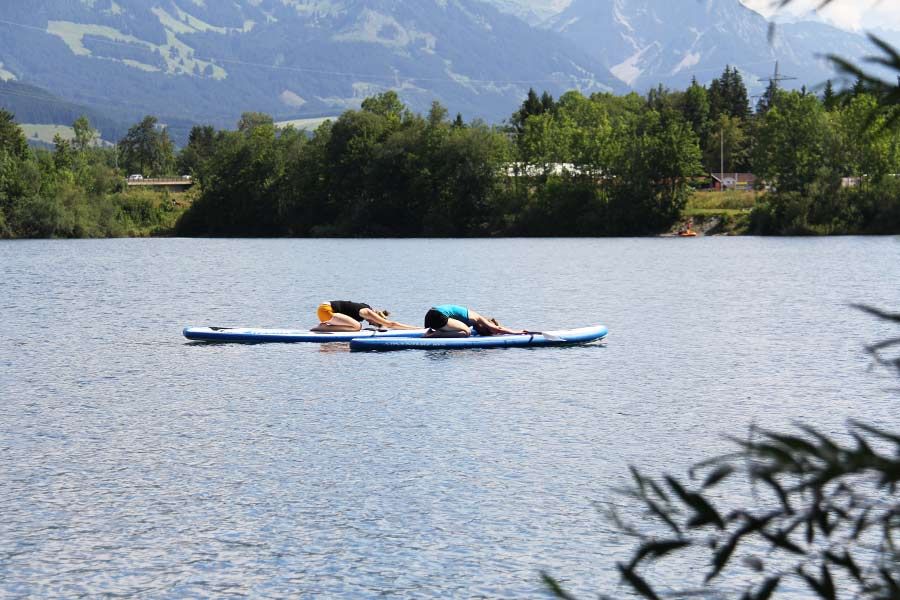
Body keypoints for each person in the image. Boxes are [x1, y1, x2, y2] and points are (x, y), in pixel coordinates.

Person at [423, 304, 525, 338]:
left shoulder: (471, 319)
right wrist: (517, 332)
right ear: (487, 324)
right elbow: (497, 329)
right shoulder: (479, 318)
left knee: (462, 330)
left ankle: (435, 332)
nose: (484, 332)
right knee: (466, 332)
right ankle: (433, 335)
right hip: (437, 316)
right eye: (487, 330)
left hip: (431, 315)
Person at [312, 301, 418, 332]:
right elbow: (391, 324)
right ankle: (322, 327)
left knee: (355, 326)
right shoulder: (366, 312)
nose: (371, 323)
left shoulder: (363, 309)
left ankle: (325, 325)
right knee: (357, 327)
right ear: (376, 317)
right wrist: (418, 329)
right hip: (326, 311)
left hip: (324, 310)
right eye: (377, 323)